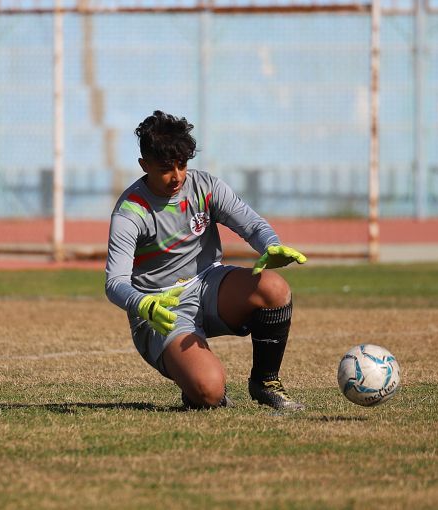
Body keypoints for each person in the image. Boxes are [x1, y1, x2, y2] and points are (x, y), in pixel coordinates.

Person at [105, 110, 307, 410]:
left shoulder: (205, 187)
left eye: (182, 165)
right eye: (165, 168)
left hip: (209, 285)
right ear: (144, 165)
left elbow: (252, 224)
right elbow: (115, 282)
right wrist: (144, 304)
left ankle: (265, 382)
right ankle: (198, 387)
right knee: (208, 391)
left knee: (274, 288)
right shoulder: (130, 212)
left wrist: (271, 245)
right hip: (162, 308)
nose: (177, 176)